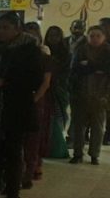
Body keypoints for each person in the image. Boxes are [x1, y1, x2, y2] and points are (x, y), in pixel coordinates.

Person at [0, 13, 45, 198]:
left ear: (17, 29)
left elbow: (35, 80)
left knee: (14, 154)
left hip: (16, 107)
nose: (0, 31)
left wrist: (6, 82)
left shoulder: (30, 50)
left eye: (5, 27)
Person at [69, 25, 110, 164]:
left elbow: (107, 69)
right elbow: (75, 70)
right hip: (80, 94)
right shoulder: (80, 50)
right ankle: (77, 153)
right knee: (78, 126)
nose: (95, 39)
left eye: (98, 36)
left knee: (98, 127)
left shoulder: (108, 52)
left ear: (104, 37)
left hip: (101, 95)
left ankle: (94, 154)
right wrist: (97, 68)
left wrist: (89, 65)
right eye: (92, 36)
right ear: (87, 37)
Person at [23, 34, 54, 185]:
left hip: (37, 100)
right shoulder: (18, 57)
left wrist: (33, 100)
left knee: (33, 137)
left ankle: (29, 172)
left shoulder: (45, 59)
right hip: (21, 99)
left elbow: (45, 83)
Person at [45, 26, 71, 159]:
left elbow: (66, 73)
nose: (53, 38)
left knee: (60, 117)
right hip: (45, 88)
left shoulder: (66, 54)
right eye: (51, 35)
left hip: (60, 88)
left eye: (56, 35)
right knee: (48, 118)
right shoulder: (43, 51)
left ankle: (58, 148)